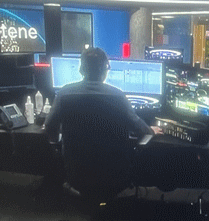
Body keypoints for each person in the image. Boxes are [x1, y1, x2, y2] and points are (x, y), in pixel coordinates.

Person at [44, 47, 163, 197]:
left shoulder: (64, 94)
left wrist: (60, 144)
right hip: (114, 175)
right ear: (104, 70)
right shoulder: (118, 96)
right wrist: (151, 130)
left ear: (81, 69)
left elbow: (49, 125)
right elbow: (139, 127)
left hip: (76, 173)